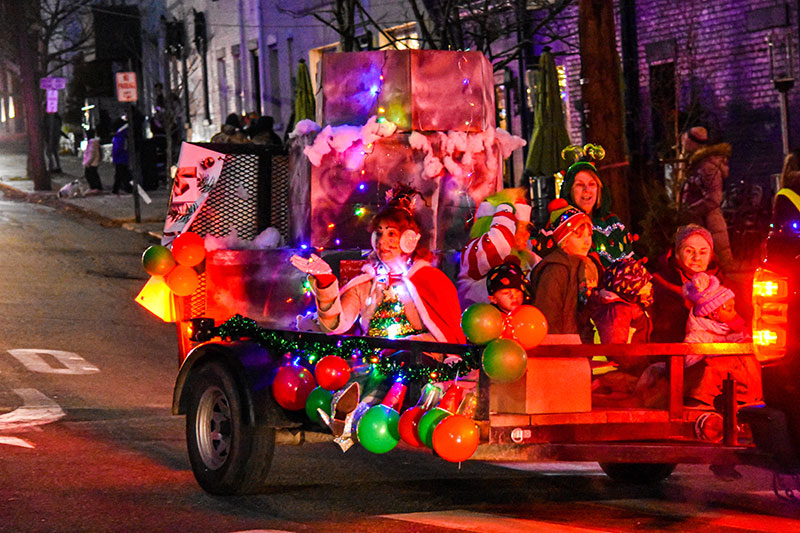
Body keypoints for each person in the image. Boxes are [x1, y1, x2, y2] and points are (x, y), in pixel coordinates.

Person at [290, 189, 465, 349]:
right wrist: (325, 280)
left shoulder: (431, 280)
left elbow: (445, 341)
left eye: (391, 234)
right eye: (379, 233)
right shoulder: (365, 283)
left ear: (409, 238)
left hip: (415, 372)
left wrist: (406, 349)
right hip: (370, 367)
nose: (382, 242)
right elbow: (337, 325)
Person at [541, 144, 634, 268]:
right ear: (569, 190)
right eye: (580, 185)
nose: (587, 190)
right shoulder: (560, 225)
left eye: (592, 184)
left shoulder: (613, 223)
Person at [457, 188, 539, 308]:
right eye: (520, 228)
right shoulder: (474, 254)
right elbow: (499, 244)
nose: (527, 234)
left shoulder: (529, 258)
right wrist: (505, 206)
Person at [529, 198, 599, 336]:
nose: (586, 241)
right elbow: (548, 315)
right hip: (564, 346)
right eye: (578, 236)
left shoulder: (588, 266)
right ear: (563, 241)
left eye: (589, 235)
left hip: (583, 345)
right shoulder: (555, 270)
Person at [649, 224, 728, 343]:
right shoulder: (658, 284)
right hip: (668, 355)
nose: (696, 258)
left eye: (703, 252)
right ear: (677, 253)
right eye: (689, 251)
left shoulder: (725, 288)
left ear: (711, 256)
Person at [678, 126, 735, 273]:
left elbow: (714, 198)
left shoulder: (707, 167)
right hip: (703, 223)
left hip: (709, 224)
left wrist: (690, 211)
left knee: (719, 268)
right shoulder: (697, 165)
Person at [111, 118, 133, 195]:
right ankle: (126, 188)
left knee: (120, 174)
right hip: (122, 157)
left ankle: (117, 189)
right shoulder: (123, 135)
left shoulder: (119, 136)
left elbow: (118, 148)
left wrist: (114, 155)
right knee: (123, 174)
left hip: (120, 158)